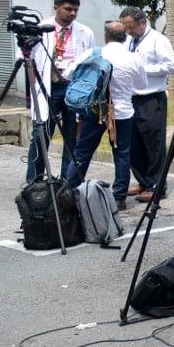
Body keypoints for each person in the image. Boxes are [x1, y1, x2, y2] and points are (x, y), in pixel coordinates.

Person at [65, 21, 148, 209]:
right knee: (122, 154)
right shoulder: (133, 58)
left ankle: (70, 190)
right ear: (125, 37)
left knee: (82, 151)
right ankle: (119, 197)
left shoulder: (93, 53)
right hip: (122, 112)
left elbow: (69, 74)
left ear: (106, 36)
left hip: (95, 111)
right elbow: (142, 85)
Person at [26, 0, 95, 182]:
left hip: (74, 88)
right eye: (68, 9)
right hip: (47, 87)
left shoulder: (85, 32)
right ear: (56, 7)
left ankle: (68, 182)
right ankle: (34, 181)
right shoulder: (39, 29)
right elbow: (26, 58)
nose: (72, 13)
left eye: (76, 10)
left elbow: (89, 61)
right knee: (40, 134)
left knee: (72, 136)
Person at [119, 6, 174, 203]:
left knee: (153, 143)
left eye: (131, 27)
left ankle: (156, 185)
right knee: (134, 142)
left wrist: (142, 69)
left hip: (151, 97)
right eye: (125, 27)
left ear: (143, 22)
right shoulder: (128, 40)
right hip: (130, 97)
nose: (128, 31)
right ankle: (143, 181)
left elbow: (172, 66)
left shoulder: (158, 40)